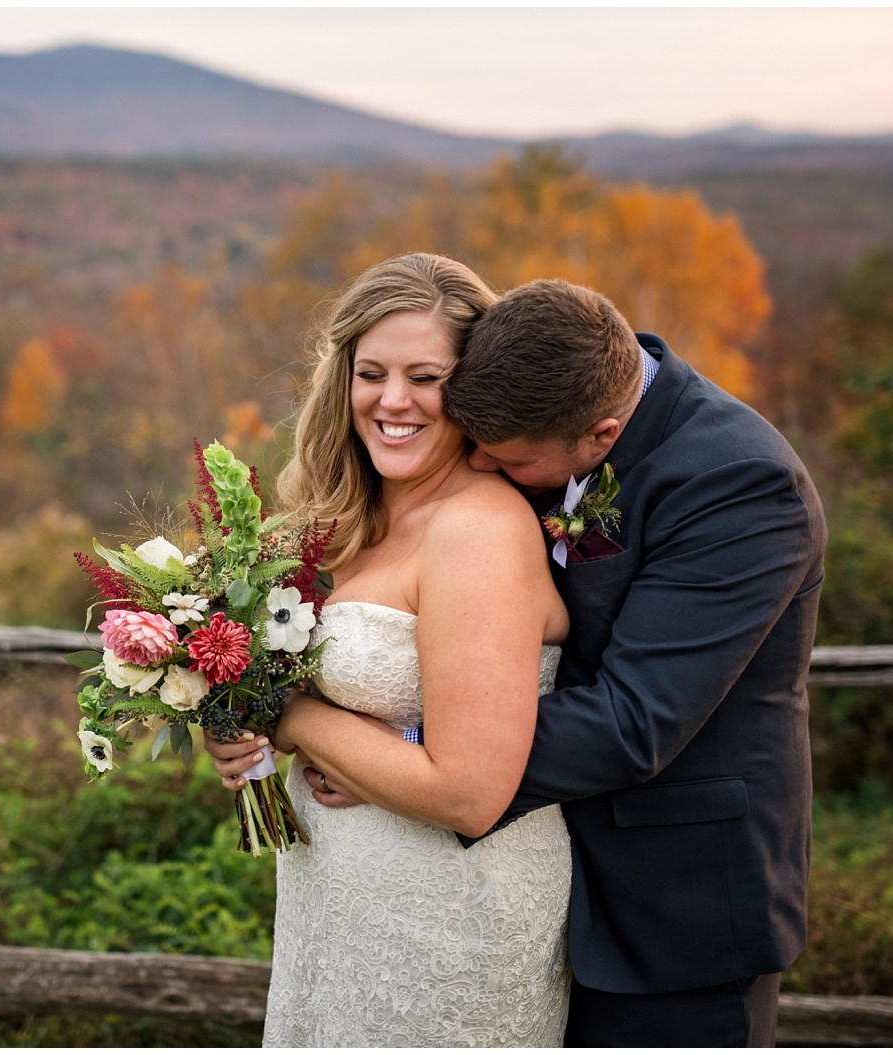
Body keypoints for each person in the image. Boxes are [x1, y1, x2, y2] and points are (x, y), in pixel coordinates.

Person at [215, 276, 826, 1046]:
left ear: (601, 436)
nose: (482, 466)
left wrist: (392, 754)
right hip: (503, 878)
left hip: (672, 901)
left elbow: (634, 719)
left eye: (502, 459)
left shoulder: (739, 483)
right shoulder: (532, 411)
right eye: (372, 373)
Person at [223, 253, 574, 1046]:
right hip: (333, 903)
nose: (393, 401)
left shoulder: (478, 529)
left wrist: (295, 722)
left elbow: (469, 792)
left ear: (475, 389)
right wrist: (235, 723)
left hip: (449, 916)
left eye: (426, 376)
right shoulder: (340, 518)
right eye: (371, 372)